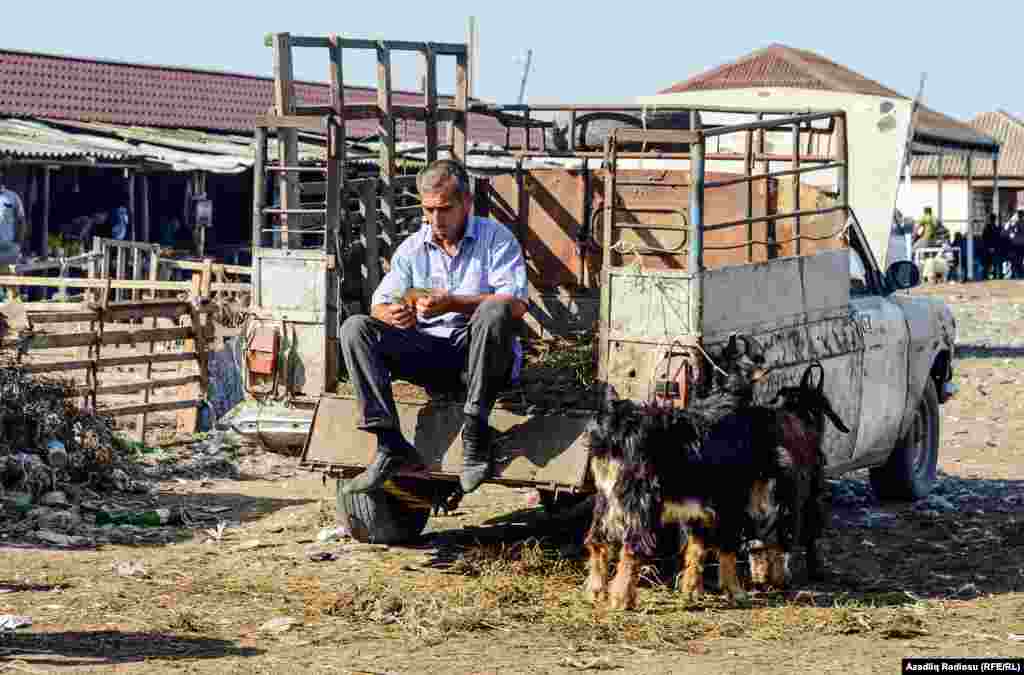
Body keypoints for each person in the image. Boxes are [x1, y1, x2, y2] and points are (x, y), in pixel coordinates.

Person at [339, 159, 528, 496]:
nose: (436, 220)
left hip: (482, 358)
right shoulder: (412, 248)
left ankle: (475, 432)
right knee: (355, 328)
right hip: (433, 356)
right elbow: (380, 303)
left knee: (495, 309)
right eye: (429, 210)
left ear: (466, 204)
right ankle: (389, 443)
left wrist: (453, 302)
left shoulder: (495, 238)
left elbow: (516, 305)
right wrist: (394, 314)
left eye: (445, 209)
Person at [981, 213, 1004, 280]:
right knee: (994, 263)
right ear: (994, 219)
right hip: (995, 248)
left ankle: (986, 276)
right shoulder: (996, 228)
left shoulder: (987, 228)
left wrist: (988, 247)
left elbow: (984, 238)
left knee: (988, 263)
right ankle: (995, 275)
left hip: (988, 248)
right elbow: (998, 238)